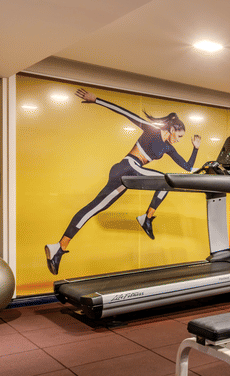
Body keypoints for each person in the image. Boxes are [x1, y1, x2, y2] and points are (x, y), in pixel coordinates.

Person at [44, 89, 201, 275]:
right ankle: (146, 219)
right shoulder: (152, 130)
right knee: (166, 181)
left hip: (127, 175)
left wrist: (195, 149)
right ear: (172, 129)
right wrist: (96, 100)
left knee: (94, 208)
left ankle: (59, 248)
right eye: (180, 136)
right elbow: (126, 113)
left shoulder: (168, 147)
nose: (179, 140)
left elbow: (187, 167)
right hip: (127, 167)